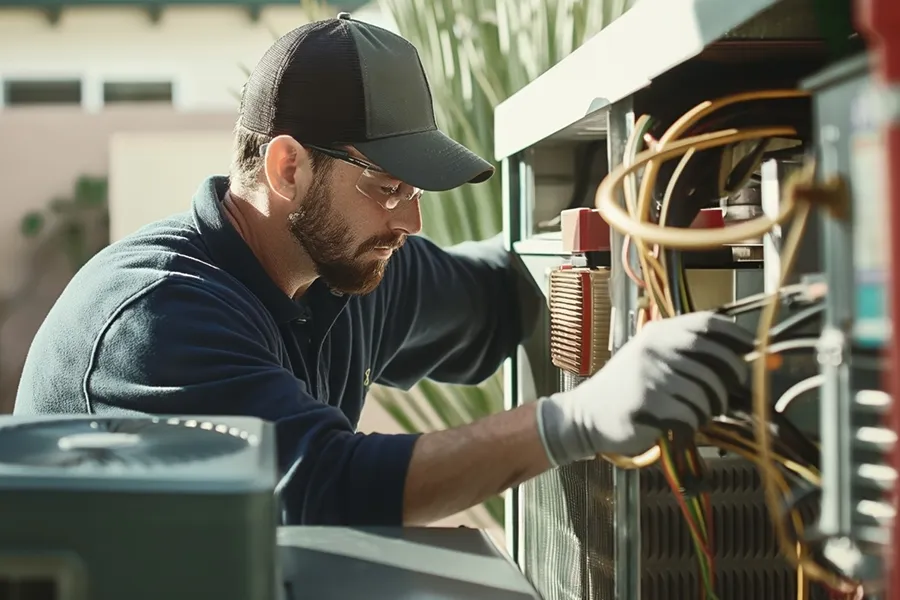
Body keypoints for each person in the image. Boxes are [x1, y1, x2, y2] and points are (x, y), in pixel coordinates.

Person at [15, 14, 754, 526]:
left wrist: (656, 218)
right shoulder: (155, 318)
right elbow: (329, 487)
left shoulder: (340, 268)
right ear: (287, 167)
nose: (410, 221)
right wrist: (577, 419)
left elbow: (500, 295)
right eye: (389, 187)